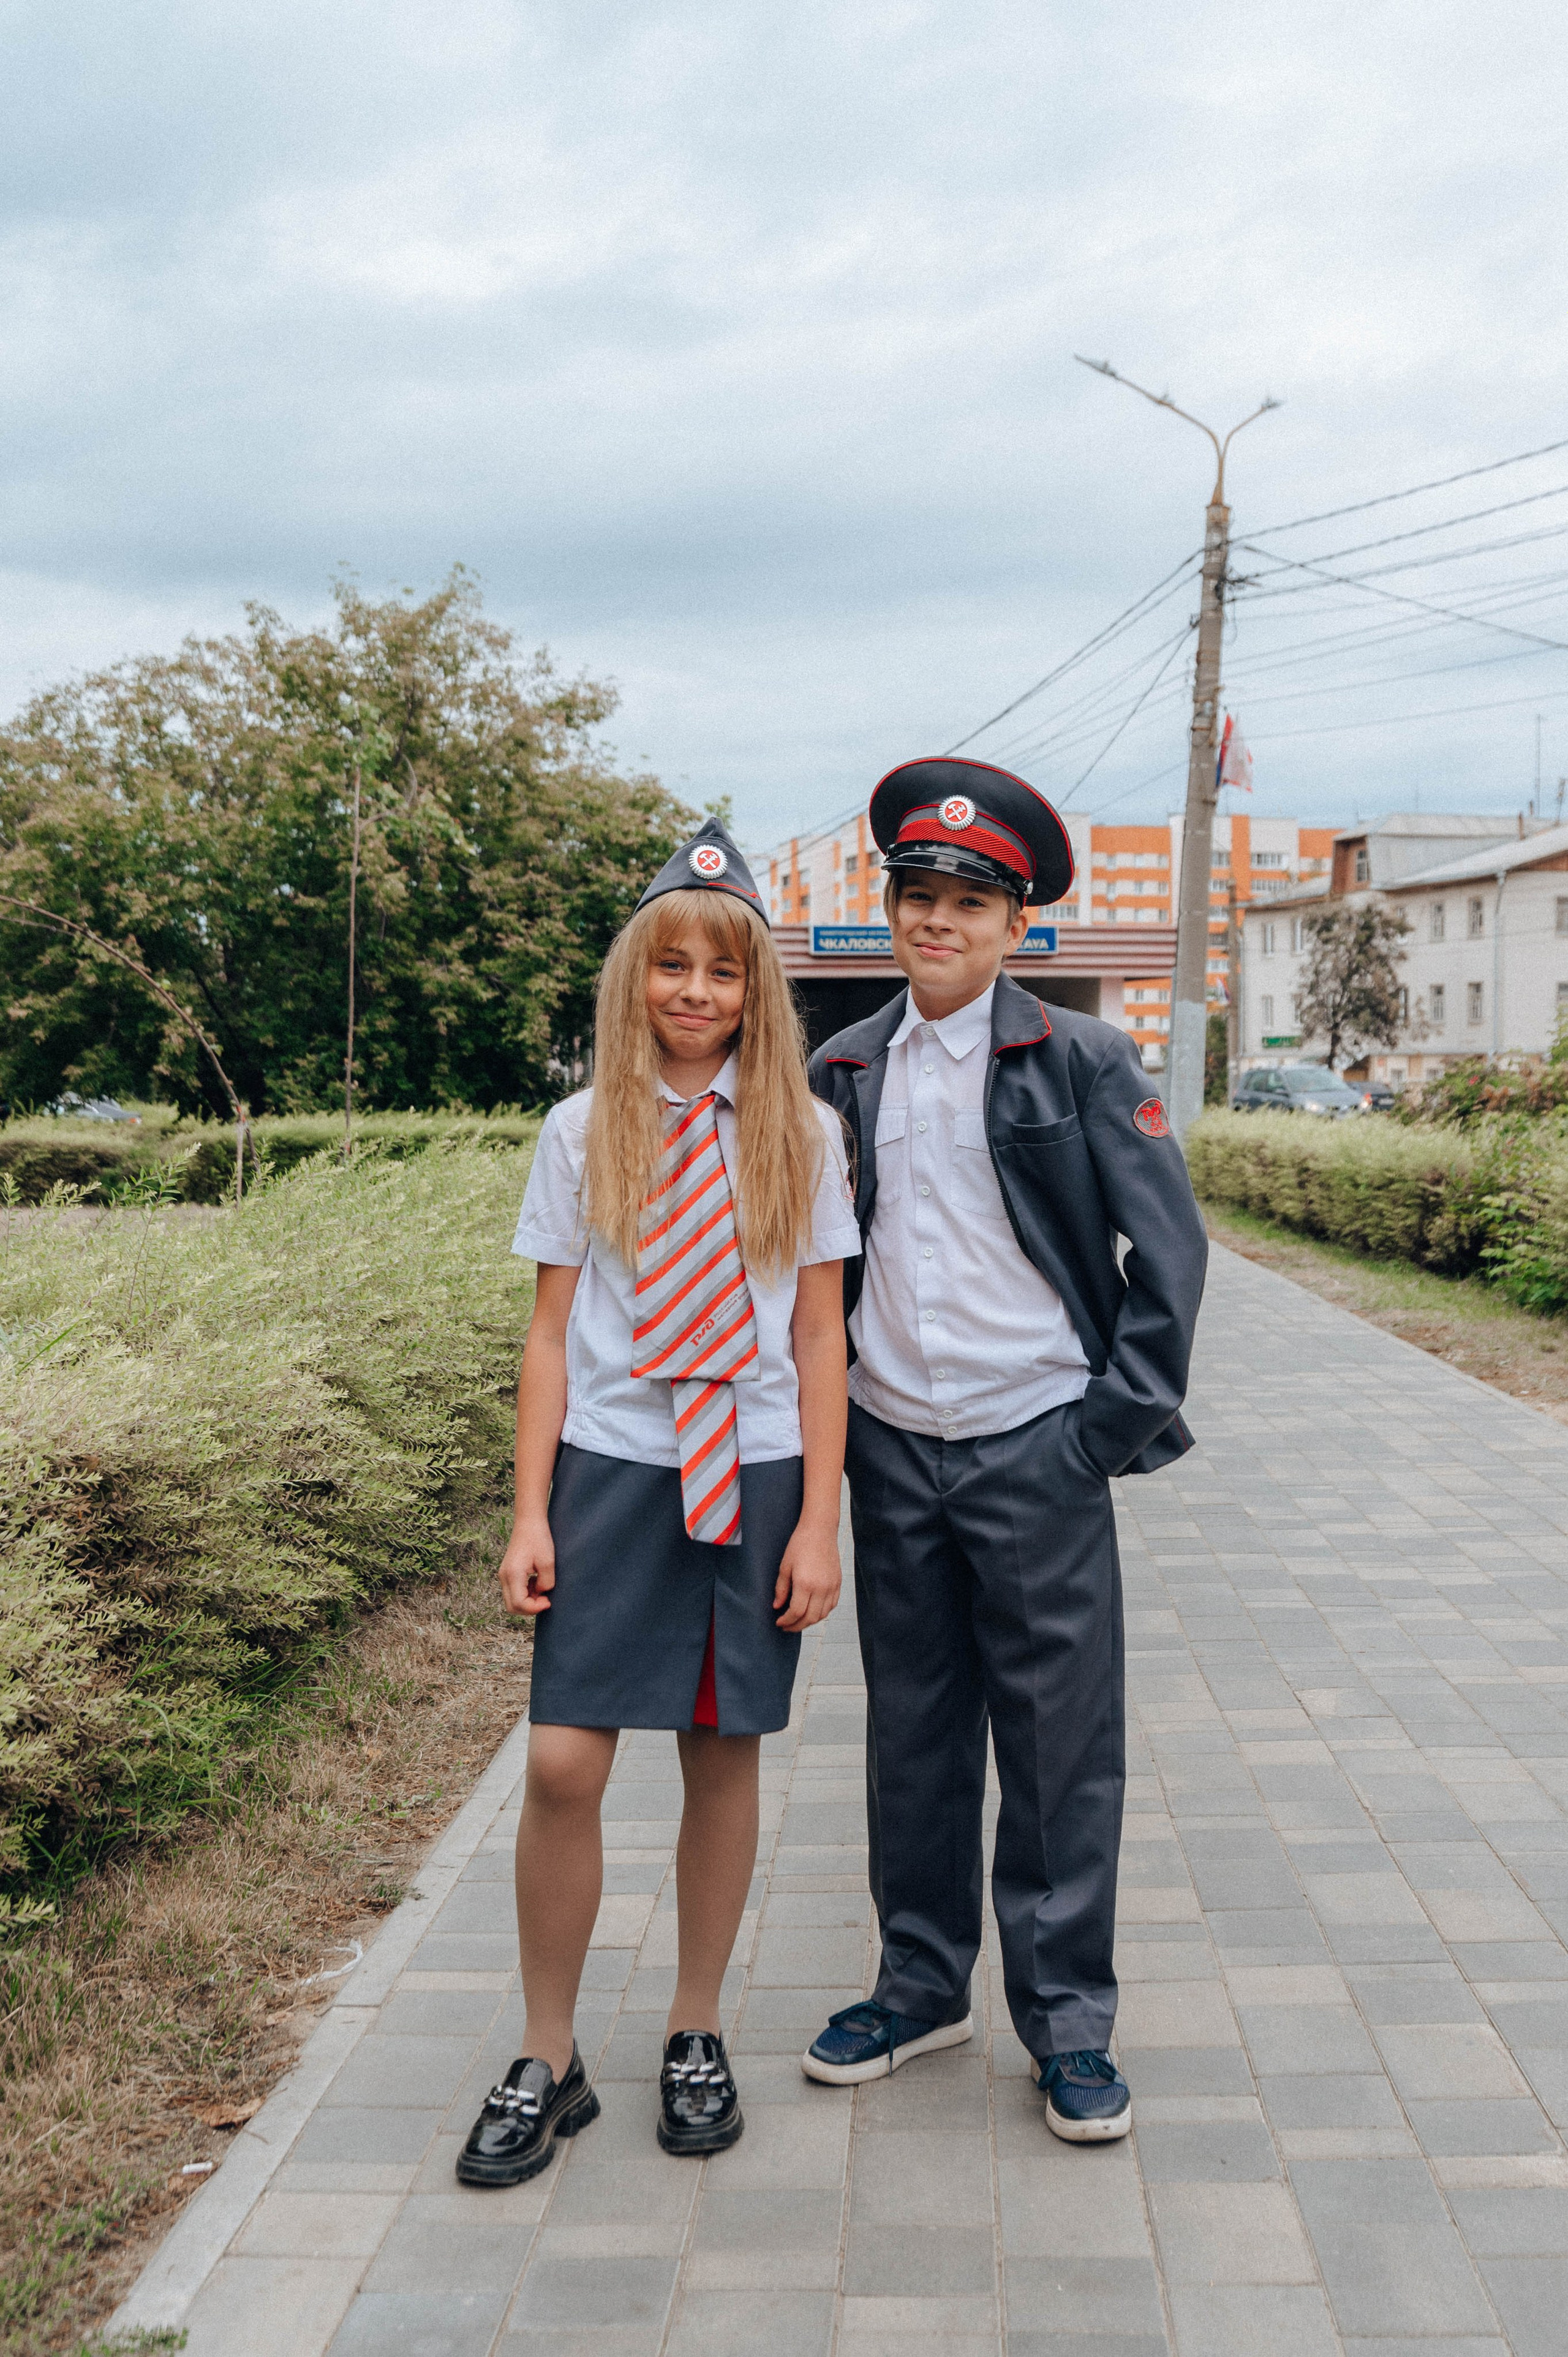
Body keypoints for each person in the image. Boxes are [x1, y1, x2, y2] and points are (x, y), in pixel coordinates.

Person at [800, 758, 1207, 2143]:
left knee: (1053, 1743)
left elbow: (1168, 1250)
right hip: (893, 1445)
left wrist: (1103, 1427)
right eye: (918, 897)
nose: (938, 921)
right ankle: (919, 1986)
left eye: (968, 903)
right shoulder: (844, 1065)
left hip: (1035, 1440)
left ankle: (1067, 2022)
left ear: (1014, 922)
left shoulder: (1078, 1057)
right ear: (894, 911)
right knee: (912, 1730)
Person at [458, 818, 858, 2187]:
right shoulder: (582, 1130)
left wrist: (818, 1519)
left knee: (720, 1750)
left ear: (757, 992)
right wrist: (528, 1512)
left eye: (722, 971)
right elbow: (549, 1336)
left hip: (748, 1470)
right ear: (636, 979)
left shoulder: (802, 1132)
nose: (695, 992)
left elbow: (818, 1338)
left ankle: (694, 2028)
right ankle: (548, 2049)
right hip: (618, 1470)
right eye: (671, 966)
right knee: (564, 1760)